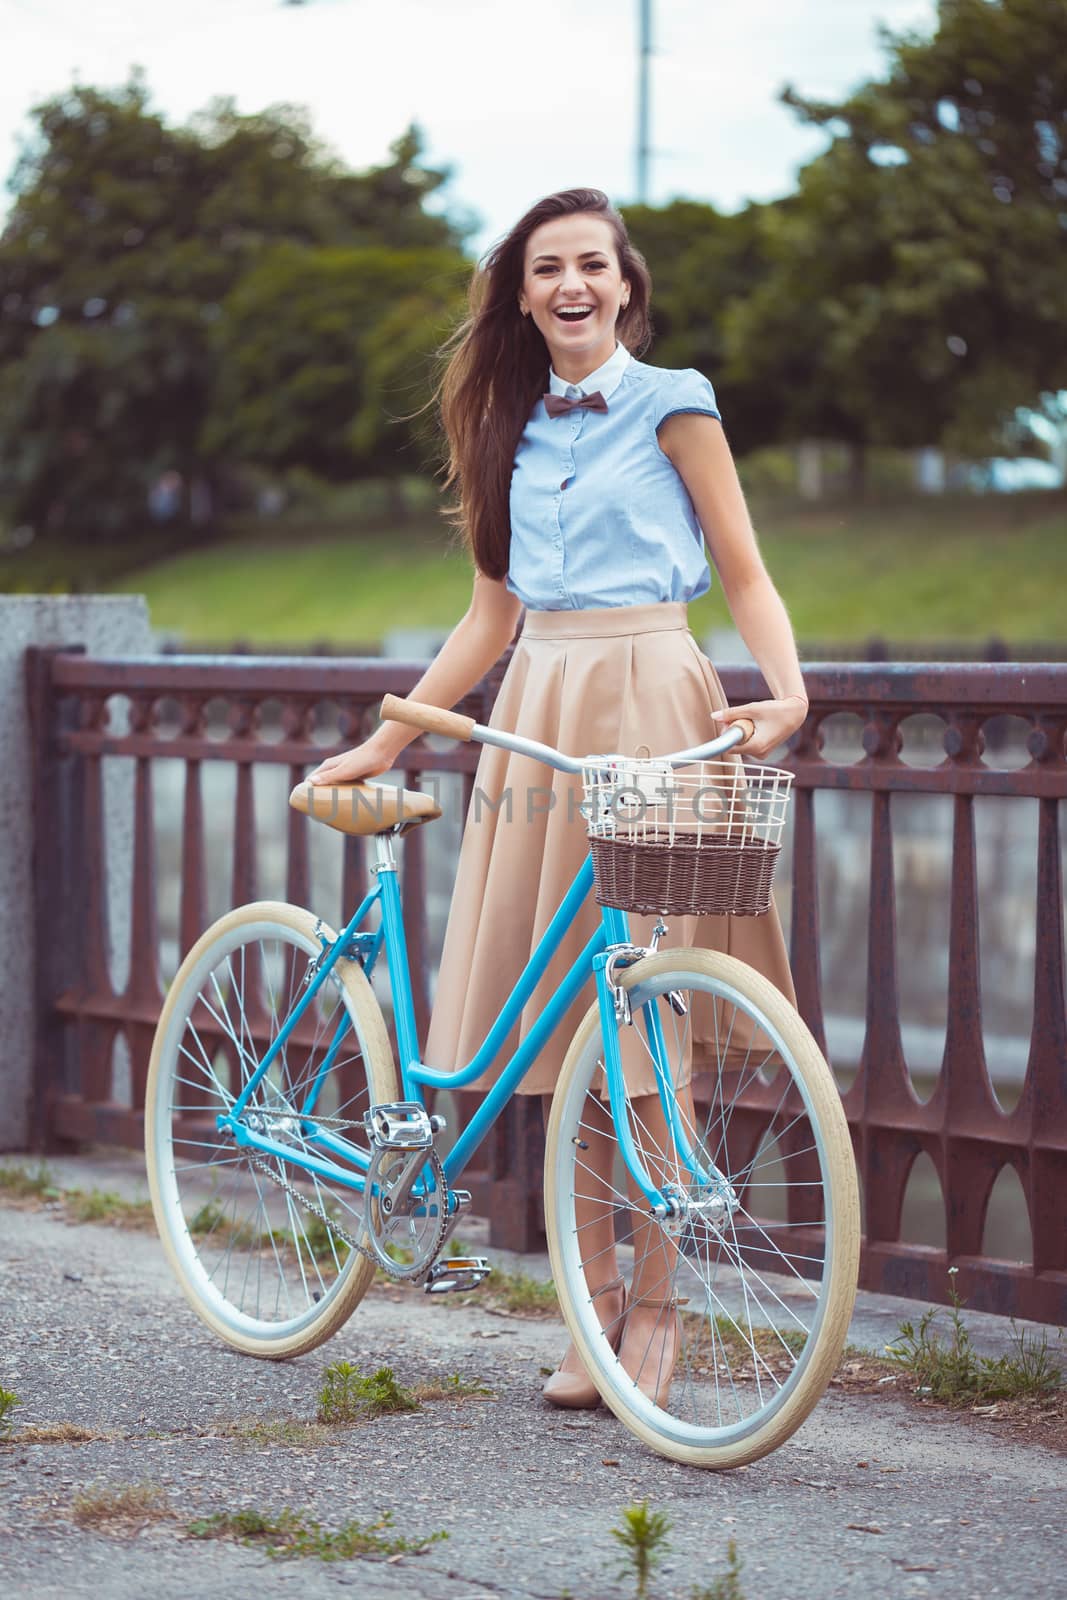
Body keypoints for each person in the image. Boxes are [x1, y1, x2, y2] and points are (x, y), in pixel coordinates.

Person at [307, 187, 808, 1410]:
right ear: (521, 294)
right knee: (561, 1019)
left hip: (652, 696)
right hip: (534, 712)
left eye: (592, 263)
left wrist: (786, 691)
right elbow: (489, 617)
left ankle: (656, 1304)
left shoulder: (675, 403)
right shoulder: (503, 426)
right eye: (547, 268)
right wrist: (390, 737)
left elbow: (742, 569)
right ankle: (587, 1311)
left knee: (647, 1022)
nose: (571, 285)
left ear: (625, 284)